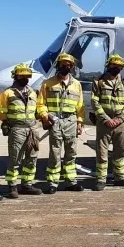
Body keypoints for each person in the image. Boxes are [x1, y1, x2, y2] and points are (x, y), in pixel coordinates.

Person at [37, 53, 85, 193]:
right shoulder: (47, 83)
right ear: (58, 65)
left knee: (71, 153)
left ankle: (71, 182)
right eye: (63, 64)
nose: (66, 67)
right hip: (55, 122)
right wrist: (45, 116)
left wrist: (80, 123)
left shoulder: (77, 85)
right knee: (55, 153)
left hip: (71, 121)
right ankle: (53, 182)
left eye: (69, 65)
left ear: (72, 67)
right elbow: (41, 103)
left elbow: (80, 106)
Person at [0, 63, 44, 197]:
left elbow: (37, 109)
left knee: (32, 158)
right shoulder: (7, 93)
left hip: (32, 129)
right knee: (15, 159)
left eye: (27, 76)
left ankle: (27, 185)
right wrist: (9, 123)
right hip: (17, 129)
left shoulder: (33, 92)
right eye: (22, 76)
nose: (25, 78)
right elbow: (1, 112)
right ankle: (12, 186)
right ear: (15, 76)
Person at [90, 54, 124, 190]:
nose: (116, 68)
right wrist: (106, 119)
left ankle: (120, 178)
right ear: (108, 65)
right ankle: (101, 179)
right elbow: (95, 102)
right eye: (114, 65)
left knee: (120, 151)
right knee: (102, 152)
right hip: (104, 123)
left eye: (119, 66)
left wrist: (119, 119)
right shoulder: (99, 82)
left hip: (120, 123)